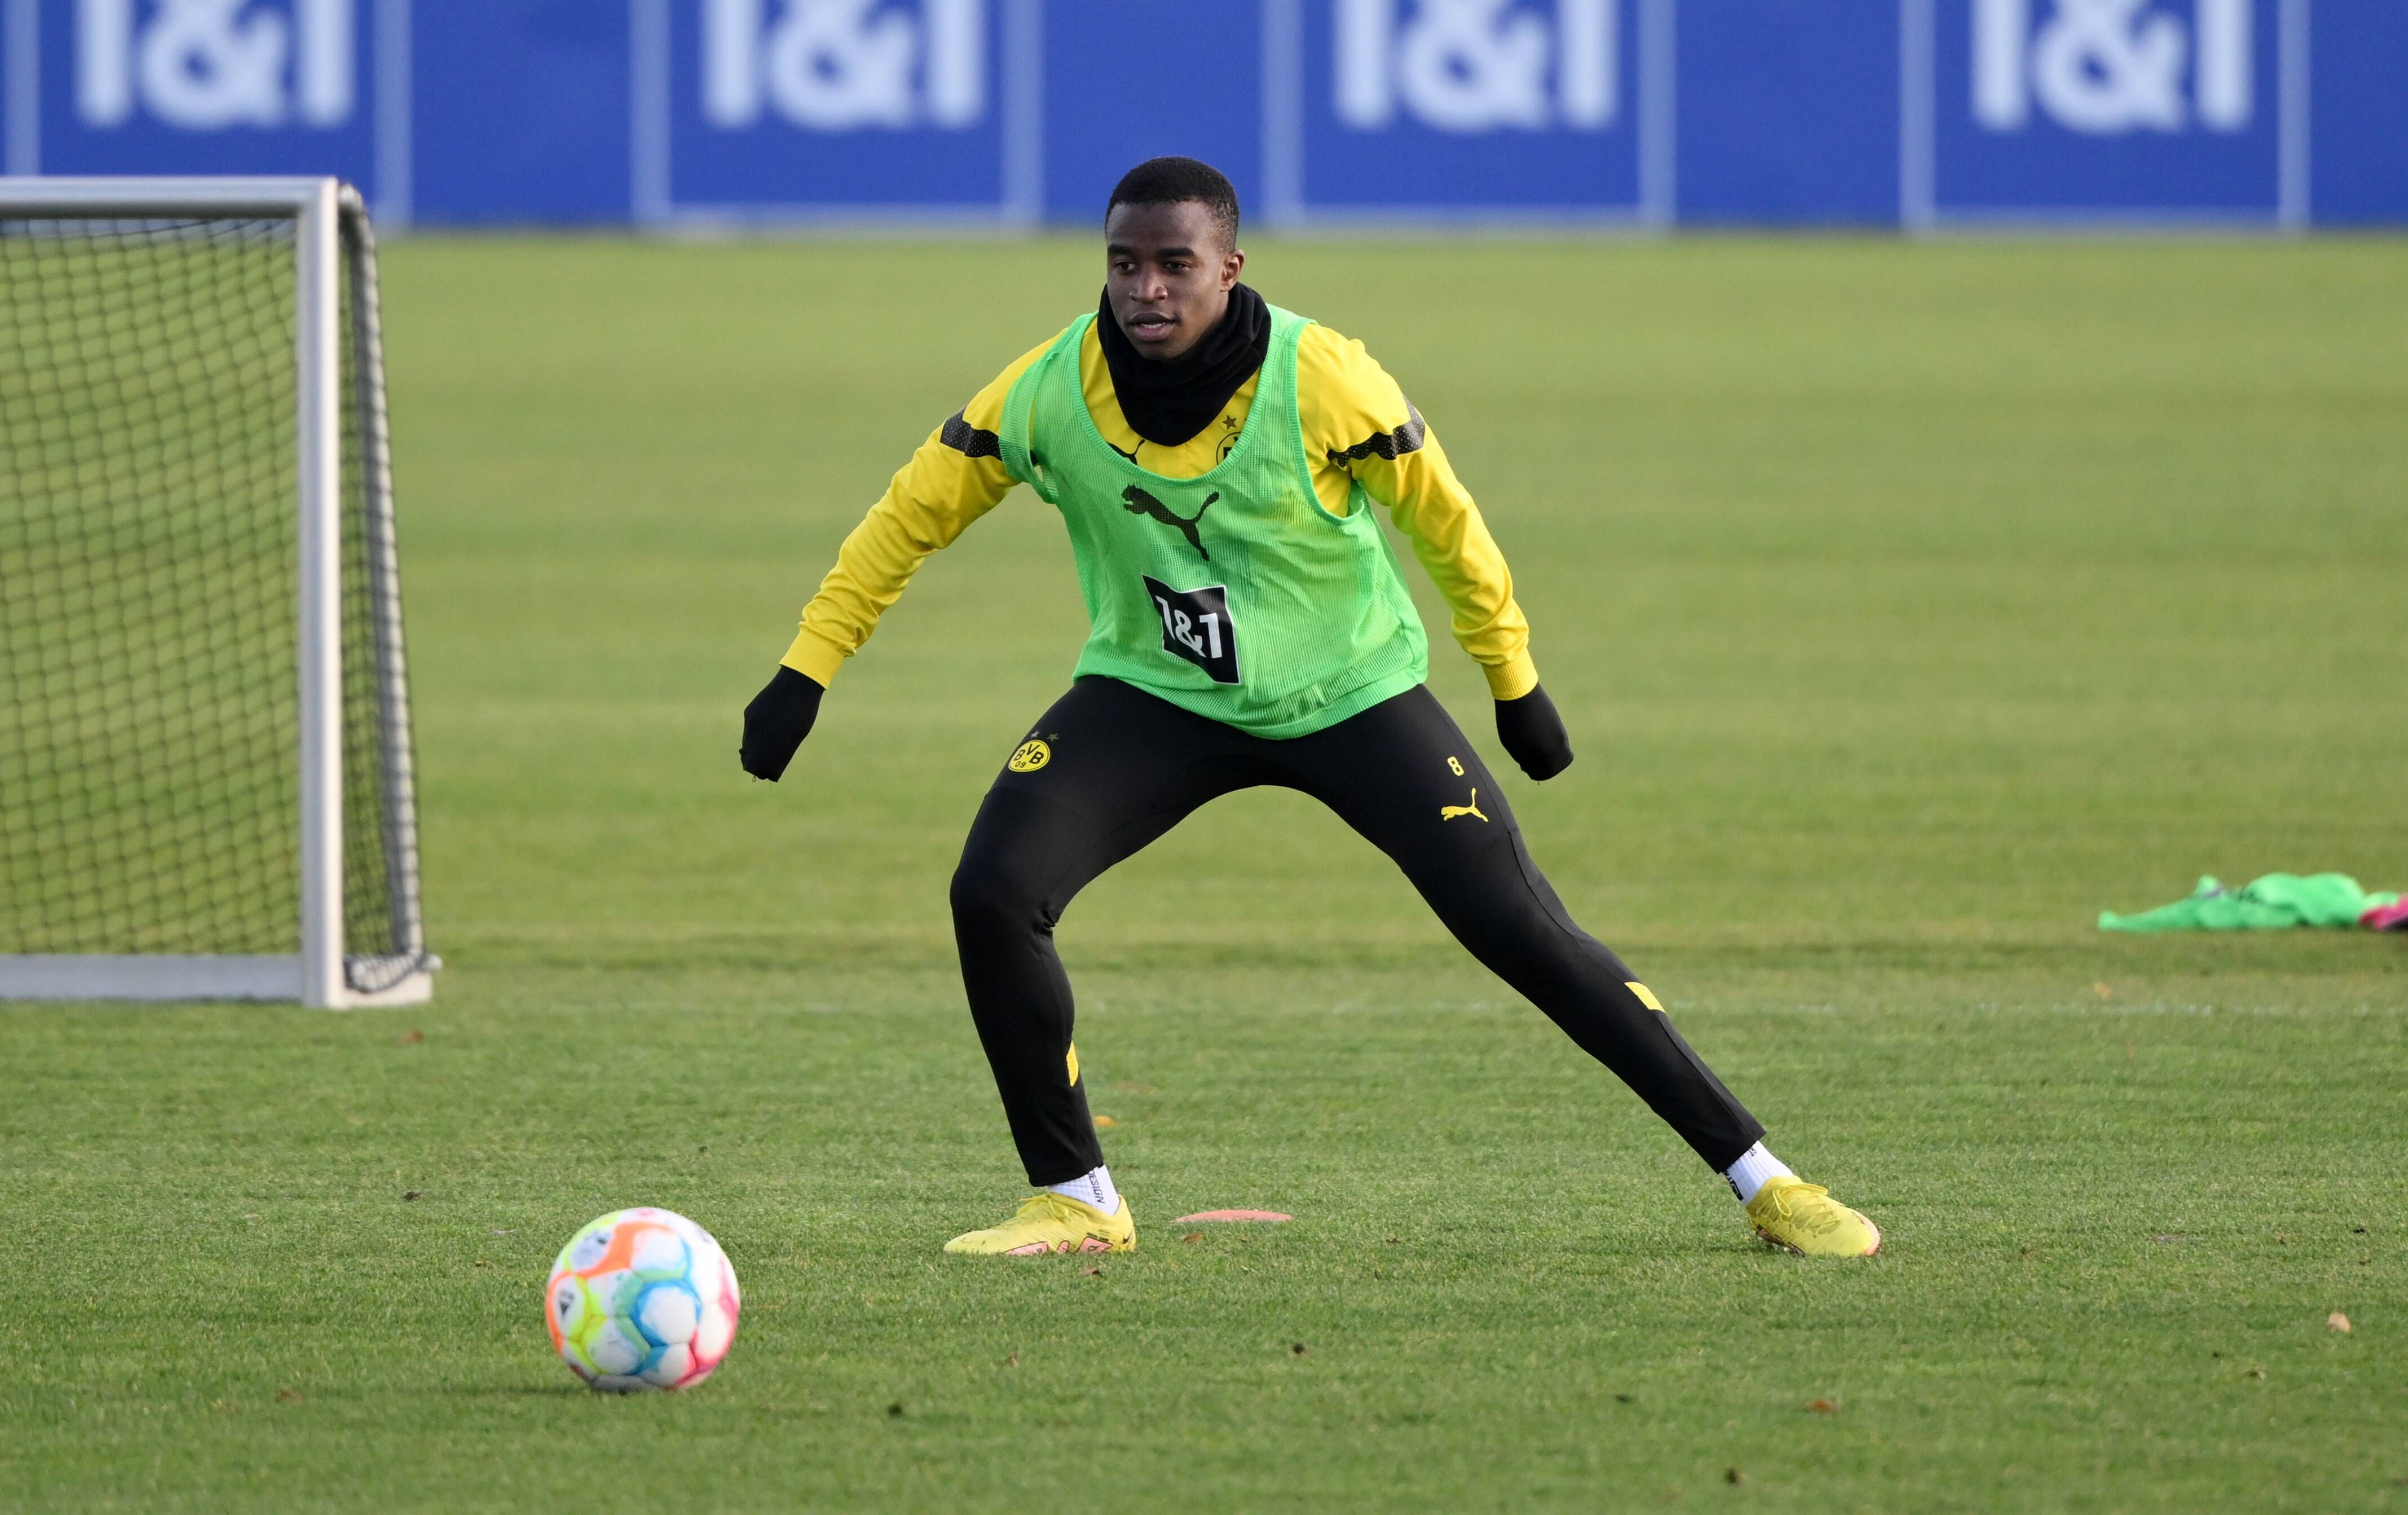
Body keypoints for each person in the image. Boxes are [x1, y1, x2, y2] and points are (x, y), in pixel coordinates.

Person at [740, 157, 1880, 1259]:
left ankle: (1764, 1179)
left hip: (1352, 696)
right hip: (1156, 693)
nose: (1145, 288)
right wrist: (806, 669)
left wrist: (1512, 679)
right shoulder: (1044, 392)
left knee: (1520, 930)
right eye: (1122, 263)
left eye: (1173, 264)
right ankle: (1074, 1199)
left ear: (1229, 267)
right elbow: (907, 516)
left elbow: (1449, 526)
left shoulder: (1324, 376)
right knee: (991, 891)